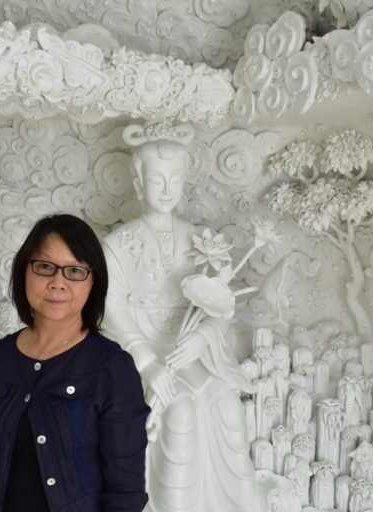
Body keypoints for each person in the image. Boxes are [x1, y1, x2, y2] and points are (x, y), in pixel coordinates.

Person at [102, 124, 257, 512]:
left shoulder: (203, 242)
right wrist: (147, 363)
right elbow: (110, 309)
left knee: (226, 404)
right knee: (180, 410)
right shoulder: (116, 245)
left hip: (191, 352)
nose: (167, 189)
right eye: (157, 180)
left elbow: (221, 305)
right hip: (144, 355)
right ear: (138, 184)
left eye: (174, 179)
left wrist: (203, 337)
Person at [0, 213, 150, 512]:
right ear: (24, 270)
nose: (57, 283)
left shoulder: (112, 367)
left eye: (75, 270)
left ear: (93, 282)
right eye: (45, 267)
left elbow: (125, 492)